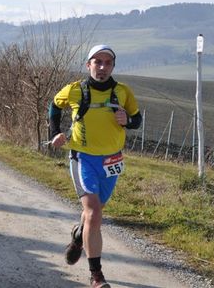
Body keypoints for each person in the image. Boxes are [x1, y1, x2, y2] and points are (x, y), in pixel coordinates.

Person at [48, 44, 142, 288]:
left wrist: (128, 120)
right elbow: (54, 107)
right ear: (88, 64)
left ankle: (80, 236)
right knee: (94, 213)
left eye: (107, 63)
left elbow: (137, 119)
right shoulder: (75, 90)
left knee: (94, 213)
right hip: (83, 158)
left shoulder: (123, 92)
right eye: (97, 62)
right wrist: (56, 133)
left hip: (112, 160)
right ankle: (96, 276)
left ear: (113, 66)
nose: (102, 67)